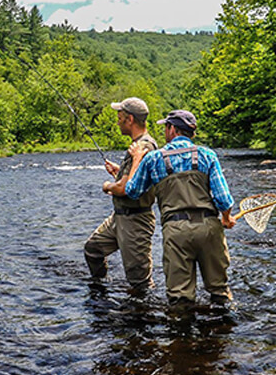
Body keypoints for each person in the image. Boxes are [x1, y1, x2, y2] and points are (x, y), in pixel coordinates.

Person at [125, 110, 236, 306]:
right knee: (219, 291)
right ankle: (223, 333)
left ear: (173, 129)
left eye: (166, 127)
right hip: (209, 227)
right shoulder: (207, 155)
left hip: (175, 231)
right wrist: (226, 217)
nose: (165, 132)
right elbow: (224, 199)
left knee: (180, 298)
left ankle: (182, 335)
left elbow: (132, 191)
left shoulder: (153, 159)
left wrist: (136, 161)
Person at [84, 97, 158, 292]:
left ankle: (144, 314)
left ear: (130, 120)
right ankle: (101, 292)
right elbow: (134, 179)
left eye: (120, 118)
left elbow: (125, 189)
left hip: (135, 221)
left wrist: (108, 186)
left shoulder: (144, 147)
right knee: (93, 250)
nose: (117, 122)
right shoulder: (138, 145)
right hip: (120, 217)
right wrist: (118, 171)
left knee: (140, 281)